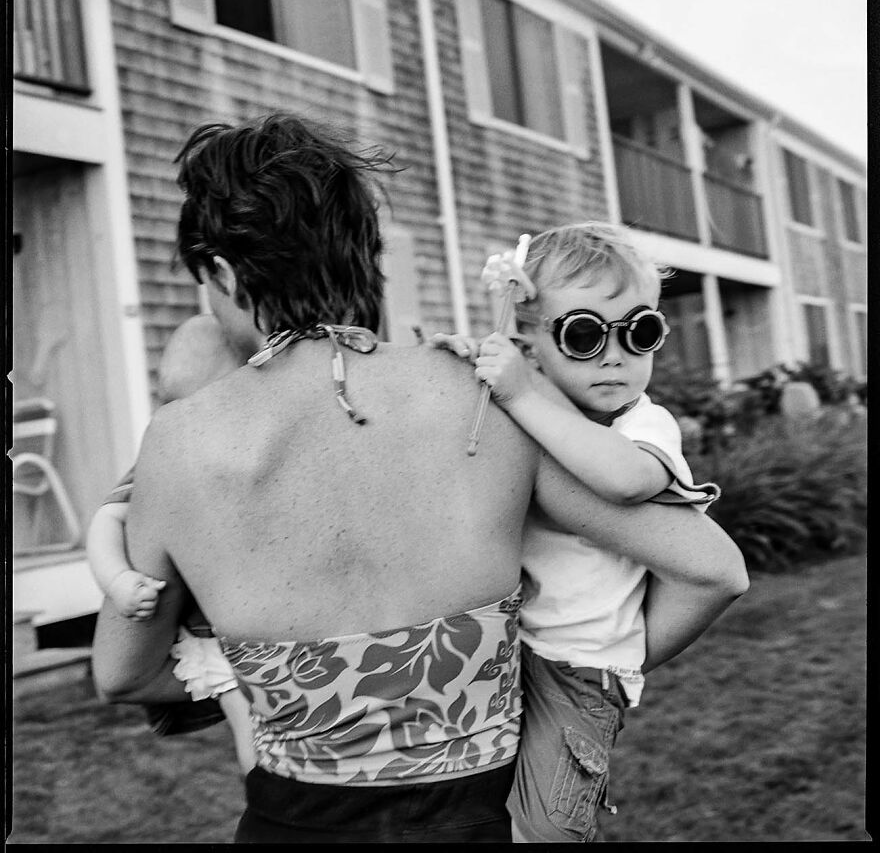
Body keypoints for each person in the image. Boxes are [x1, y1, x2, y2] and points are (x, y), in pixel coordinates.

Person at [90, 113, 748, 844]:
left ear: (221, 271)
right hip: (482, 822)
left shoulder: (178, 442)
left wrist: (294, 689)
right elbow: (709, 569)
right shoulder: (481, 396)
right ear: (367, 255)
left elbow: (124, 672)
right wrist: (594, 667)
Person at [431, 222, 722, 841]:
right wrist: (467, 374)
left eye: (640, 331)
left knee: (549, 828)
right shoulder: (528, 403)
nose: (616, 354)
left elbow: (624, 481)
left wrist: (523, 392)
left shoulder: (644, 424)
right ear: (529, 343)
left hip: (582, 665)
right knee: (474, 804)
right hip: (506, 648)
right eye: (584, 334)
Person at [87, 313, 256, 775]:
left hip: (262, 617)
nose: (191, 422)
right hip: (214, 638)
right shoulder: (165, 457)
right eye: (175, 407)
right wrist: (119, 580)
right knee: (252, 731)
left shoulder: (253, 452)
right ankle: (268, 797)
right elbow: (107, 519)